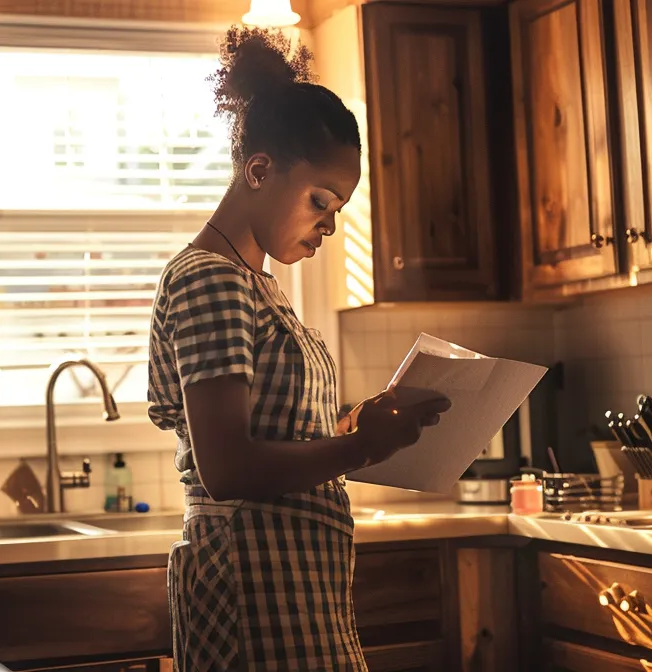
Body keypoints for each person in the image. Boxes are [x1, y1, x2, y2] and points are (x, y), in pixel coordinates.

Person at [146, 26, 454, 671]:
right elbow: (226, 466)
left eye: (340, 207)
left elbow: (275, 429)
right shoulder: (211, 278)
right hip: (252, 591)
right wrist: (362, 446)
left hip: (296, 587)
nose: (331, 225)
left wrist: (358, 424)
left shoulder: (258, 283)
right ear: (259, 171)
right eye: (321, 200)